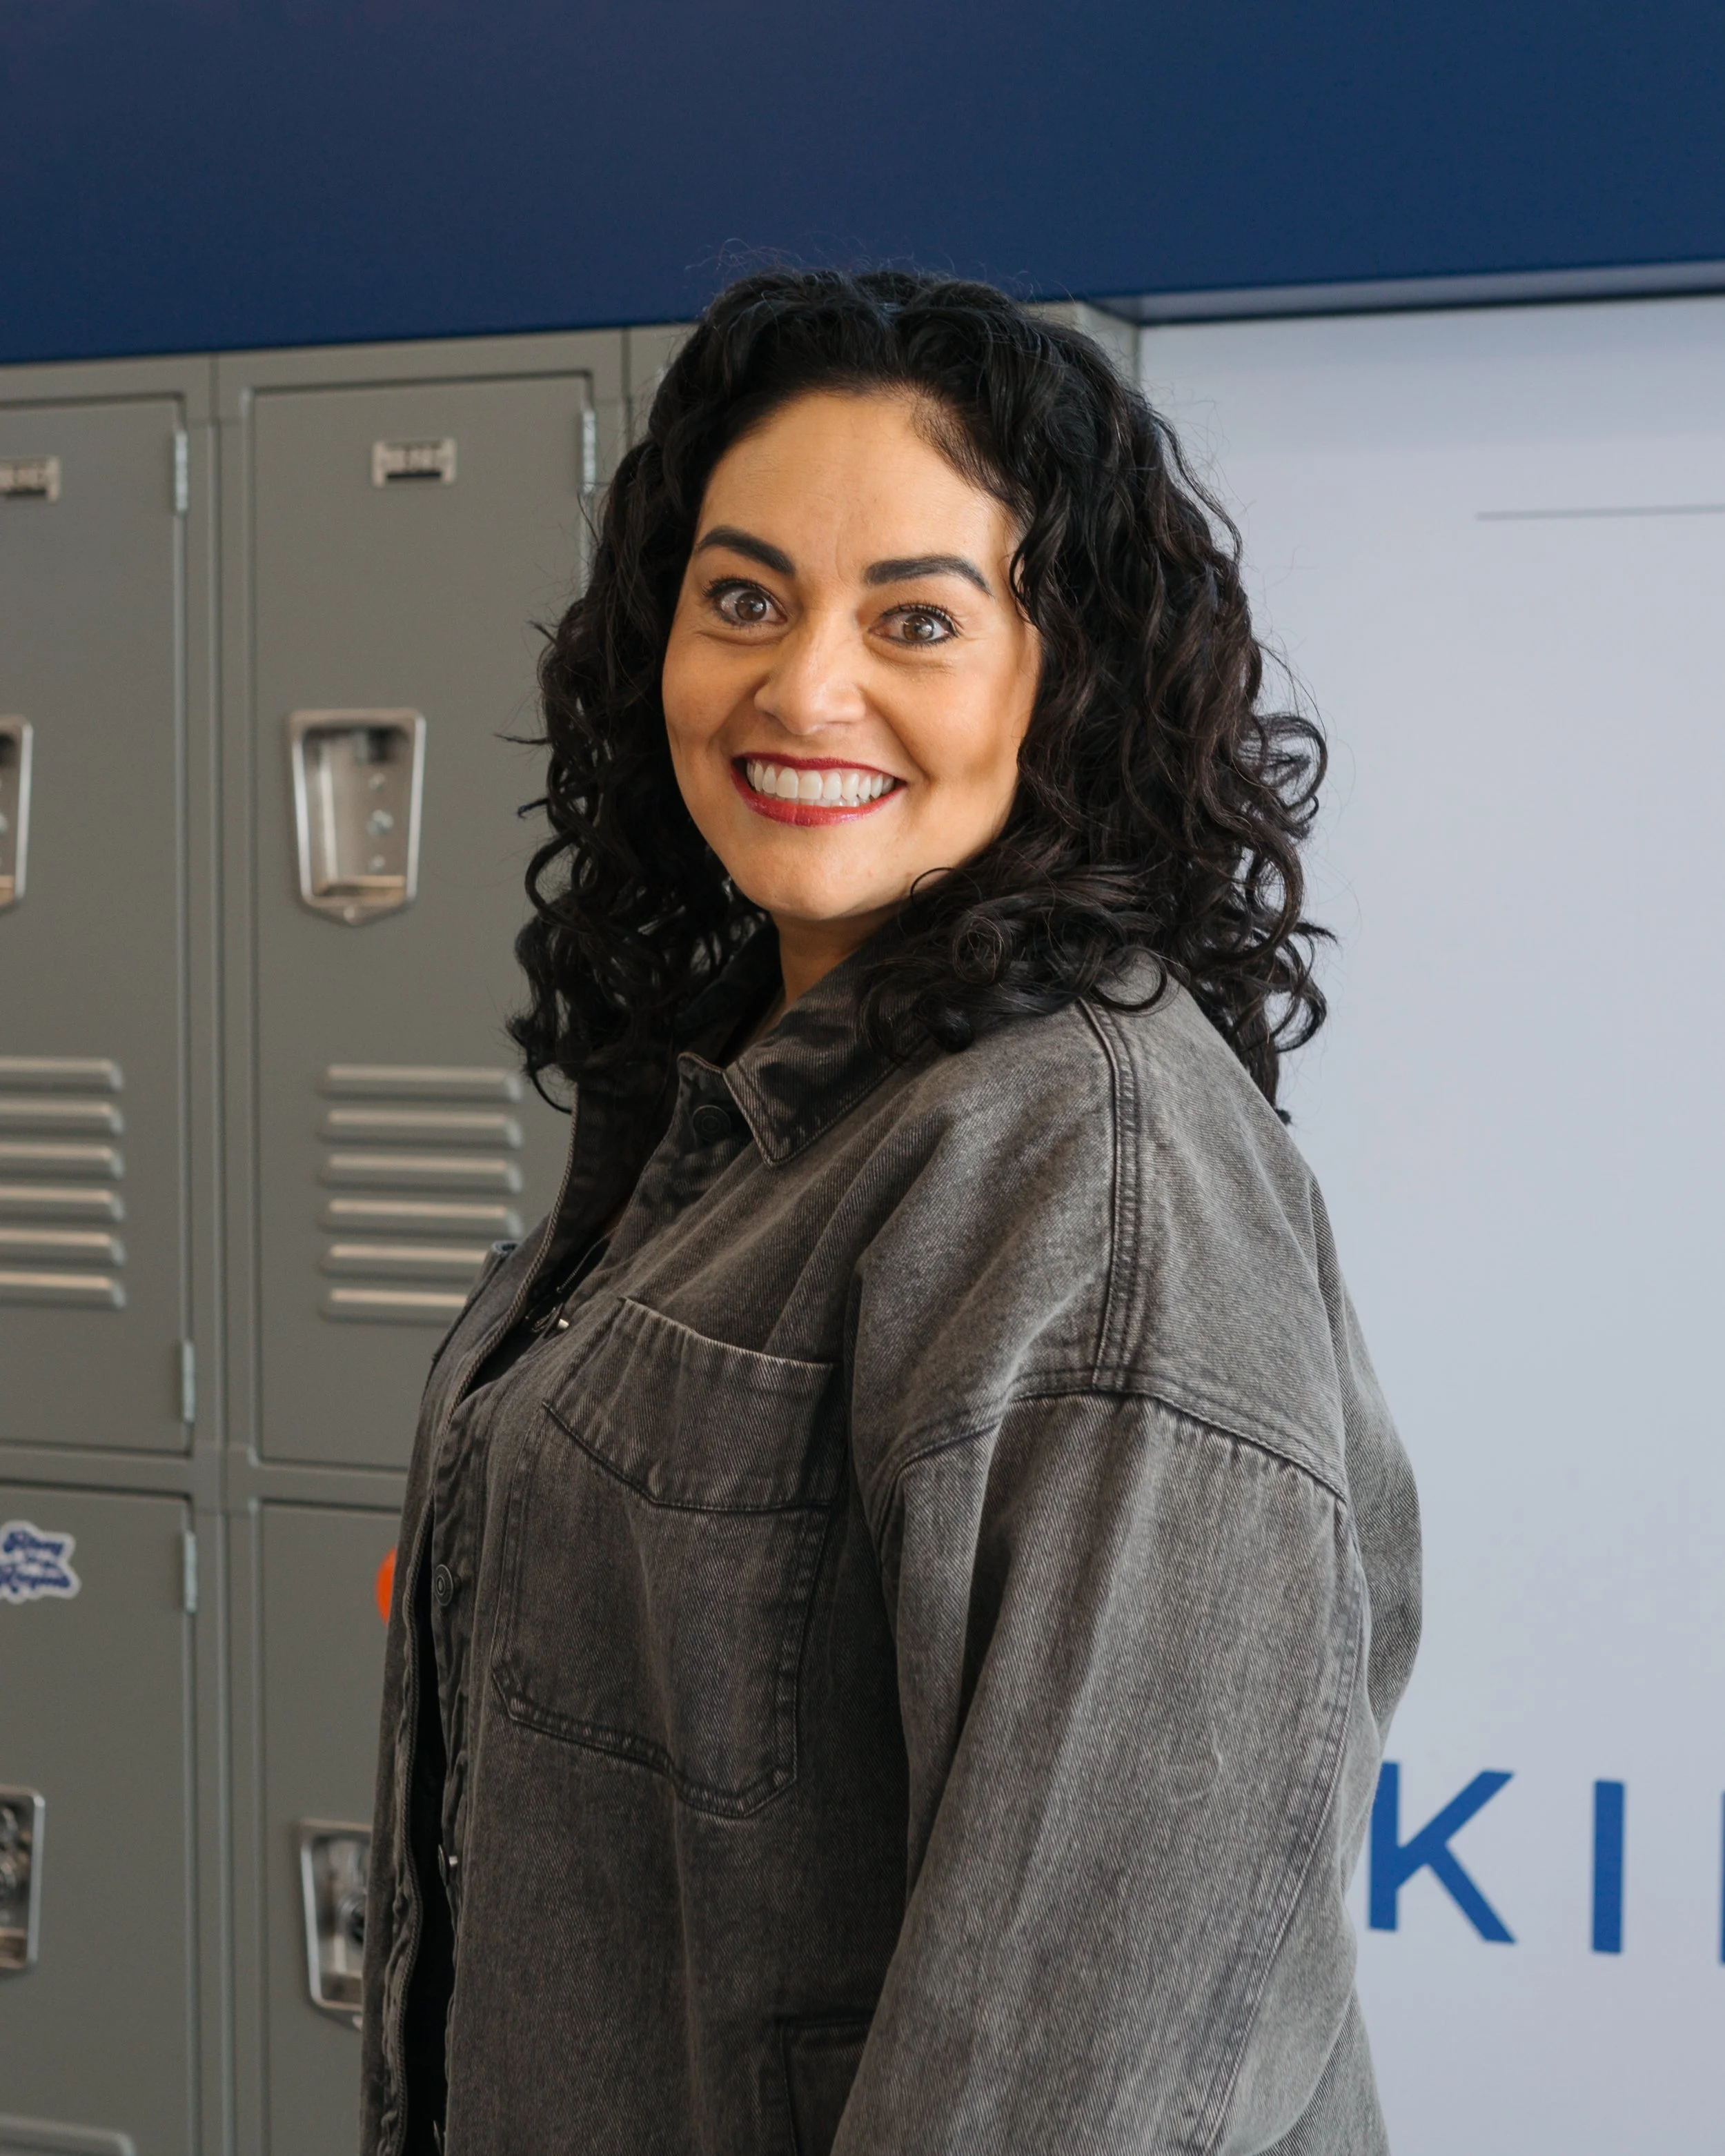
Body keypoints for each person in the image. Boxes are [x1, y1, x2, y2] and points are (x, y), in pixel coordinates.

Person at [360, 268, 1421, 2156]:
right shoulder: (753, 1090)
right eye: (742, 597)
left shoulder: (1078, 1163)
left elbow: (1080, 2058)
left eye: (913, 616)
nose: (800, 683)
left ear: (1063, 676)